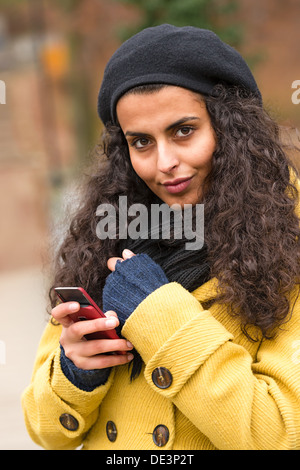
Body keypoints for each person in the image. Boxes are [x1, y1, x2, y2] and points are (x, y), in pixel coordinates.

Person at [22, 24, 300, 450]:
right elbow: (44, 431)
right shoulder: (107, 237)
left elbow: (280, 435)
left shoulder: (288, 239)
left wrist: (159, 313)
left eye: (183, 131)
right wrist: (77, 370)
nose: (164, 163)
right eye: (141, 142)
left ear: (231, 129)